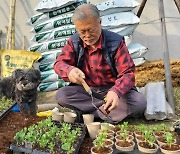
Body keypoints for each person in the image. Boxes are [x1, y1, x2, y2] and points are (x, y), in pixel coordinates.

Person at [54, 4, 147, 123]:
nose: (87, 36)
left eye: (91, 30)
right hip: (87, 91)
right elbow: (59, 63)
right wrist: (69, 70)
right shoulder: (74, 41)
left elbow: (128, 73)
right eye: (82, 31)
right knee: (62, 95)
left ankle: (88, 114)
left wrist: (116, 91)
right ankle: (105, 113)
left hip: (112, 89)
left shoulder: (116, 42)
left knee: (139, 102)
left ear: (100, 22)